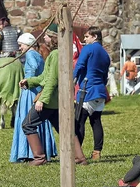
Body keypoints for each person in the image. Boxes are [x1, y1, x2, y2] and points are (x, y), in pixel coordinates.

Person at [19, 24, 87, 166]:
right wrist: (29, 82)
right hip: (57, 101)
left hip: (51, 100)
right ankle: (79, 158)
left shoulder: (56, 55)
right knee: (65, 129)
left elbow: (51, 80)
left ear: (54, 38)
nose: (44, 38)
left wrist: (42, 100)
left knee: (27, 125)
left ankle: (39, 158)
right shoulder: (57, 53)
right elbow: (44, 76)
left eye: (47, 35)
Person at [10, 33, 56, 163]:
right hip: (36, 90)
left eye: (21, 45)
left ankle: (29, 152)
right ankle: (41, 150)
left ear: (28, 43)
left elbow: (34, 67)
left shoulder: (30, 54)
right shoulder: (38, 54)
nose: (20, 48)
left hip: (30, 91)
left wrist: (28, 79)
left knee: (27, 119)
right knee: (38, 121)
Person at [73, 26, 110, 161]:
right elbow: (105, 76)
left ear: (94, 37)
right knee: (96, 122)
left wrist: (72, 80)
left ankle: (77, 154)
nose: (84, 39)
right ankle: (96, 153)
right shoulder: (105, 54)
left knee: (79, 122)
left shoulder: (88, 49)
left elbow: (80, 65)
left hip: (87, 90)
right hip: (100, 90)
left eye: (87, 36)